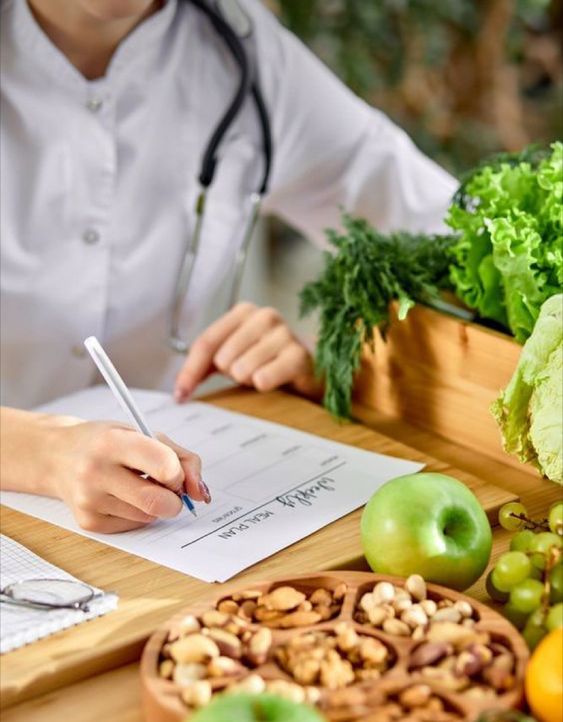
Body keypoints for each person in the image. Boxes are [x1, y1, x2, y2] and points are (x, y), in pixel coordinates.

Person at [0, 0, 457, 533]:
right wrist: (43, 453)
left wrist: (322, 360)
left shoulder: (243, 50)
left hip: (154, 528)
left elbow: (441, 230)